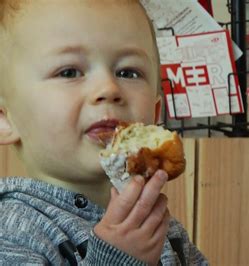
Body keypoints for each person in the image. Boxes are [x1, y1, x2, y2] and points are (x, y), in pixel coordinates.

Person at [0, 0, 207, 265]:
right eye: (69, 71)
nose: (109, 88)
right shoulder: (12, 233)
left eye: (128, 72)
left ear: (155, 114)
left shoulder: (163, 229)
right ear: (5, 119)